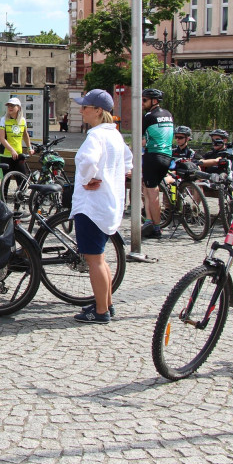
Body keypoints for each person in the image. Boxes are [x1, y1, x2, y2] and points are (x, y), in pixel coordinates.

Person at [70, 89, 132, 324]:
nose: (81, 110)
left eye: (85, 107)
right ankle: (105, 303)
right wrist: (116, 174)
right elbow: (128, 161)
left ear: (98, 111)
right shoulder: (114, 134)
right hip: (108, 204)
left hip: (92, 207)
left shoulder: (96, 136)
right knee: (101, 258)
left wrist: (88, 179)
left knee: (94, 260)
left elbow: (88, 161)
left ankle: (100, 312)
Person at [140, 87, 174, 240]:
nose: (142, 102)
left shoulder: (148, 116)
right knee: (147, 189)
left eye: (145, 100)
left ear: (154, 101)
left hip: (153, 156)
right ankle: (148, 220)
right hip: (167, 156)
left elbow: (141, 139)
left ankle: (156, 228)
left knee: (152, 193)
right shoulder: (168, 114)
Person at [0, 96, 32, 177]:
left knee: (22, 182)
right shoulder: (2, 120)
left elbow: (25, 135)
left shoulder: (22, 120)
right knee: (5, 184)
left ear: (18, 107)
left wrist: (29, 147)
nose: (10, 108)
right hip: (5, 156)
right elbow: (2, 138)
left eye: (12, 106)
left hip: (18, 155)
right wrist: (12, 150)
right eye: (8, 106)